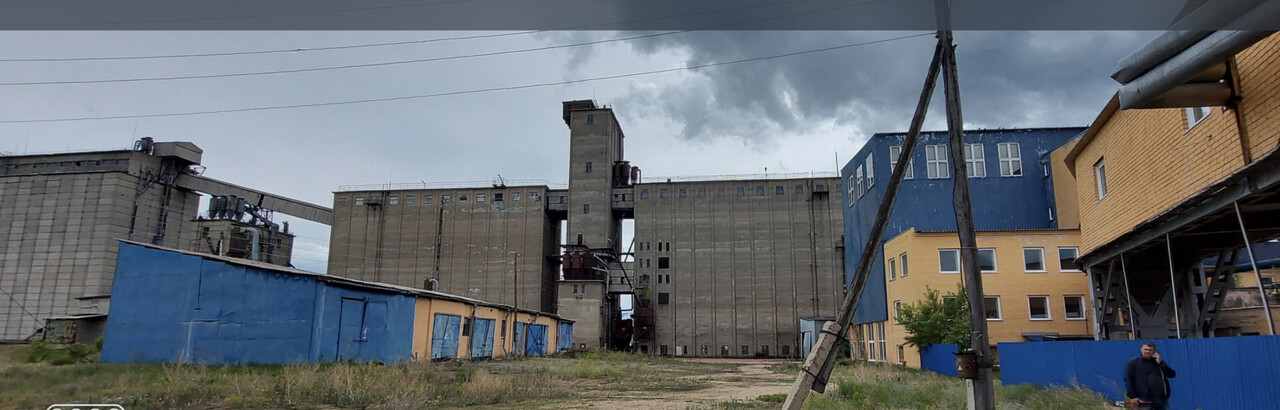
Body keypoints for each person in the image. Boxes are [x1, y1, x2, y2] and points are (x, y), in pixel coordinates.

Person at [1124, 342, 1176, 410]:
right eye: (1145, 349)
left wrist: (1161, 363)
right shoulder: (1133, 363)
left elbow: (1172, 374)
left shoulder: (1159, 363)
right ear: (1141, 349)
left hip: (1161, 399)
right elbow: (1128, 379)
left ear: (1155, 352)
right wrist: (1132, 396)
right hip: (1143, 399)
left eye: (1150, 350)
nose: (1147, 352)